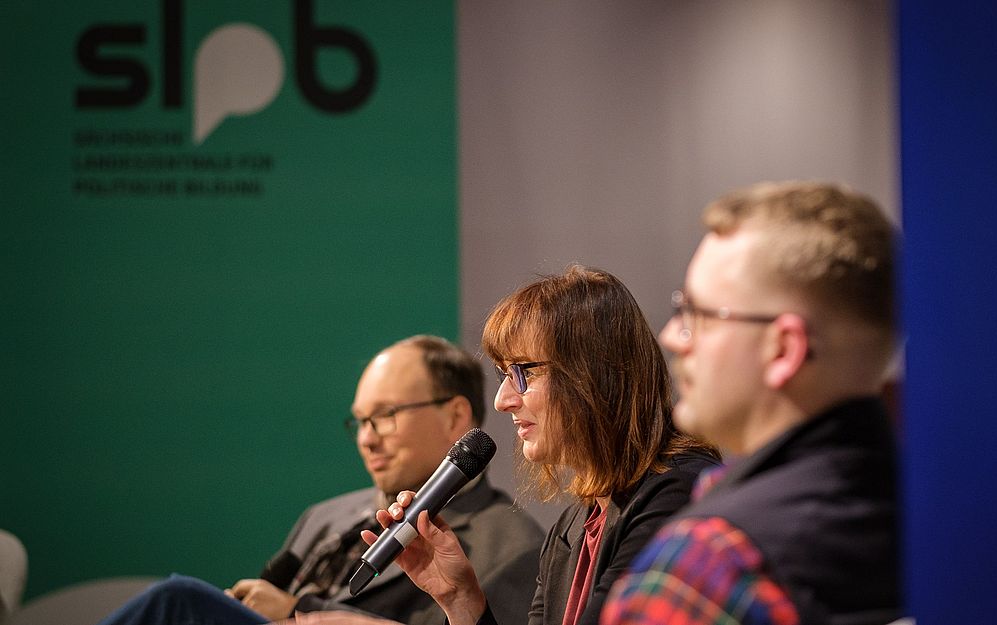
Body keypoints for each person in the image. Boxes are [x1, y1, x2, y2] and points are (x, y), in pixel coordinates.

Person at [344, 266, 720, 625]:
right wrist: (460, 599)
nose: (502, 401)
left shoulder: (677, 493)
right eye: (504, 375)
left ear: (592, 373)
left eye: (524, 372)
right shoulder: (571, 527)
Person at [600, 181, 903, 625]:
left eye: (698, 314)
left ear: (783, 350)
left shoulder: (707, 570)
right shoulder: (951, 526)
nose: (672, 337)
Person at [97, 335, 544, 625]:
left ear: (455, 416)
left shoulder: (510, 544)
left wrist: (299, 609)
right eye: (360, 422)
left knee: (178, 603)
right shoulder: (326, 516)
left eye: (385, 416)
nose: (367, 439)